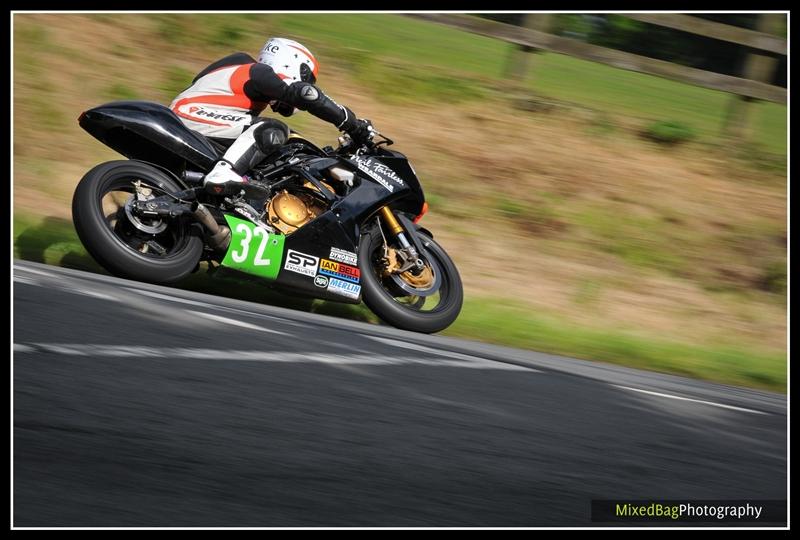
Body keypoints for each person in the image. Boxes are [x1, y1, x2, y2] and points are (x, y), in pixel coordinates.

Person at [169, 37, 376, 195]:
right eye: (308, 78)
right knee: (273, 129)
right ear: (294, 64)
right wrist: (352, 124)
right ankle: (224, 173)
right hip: (192, 114)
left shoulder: (241, 70)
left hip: (198, 118)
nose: (308, 83)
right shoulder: (258, 71)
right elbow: (307, 95)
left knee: (288, 142)